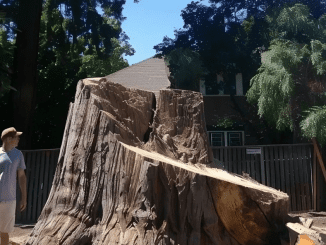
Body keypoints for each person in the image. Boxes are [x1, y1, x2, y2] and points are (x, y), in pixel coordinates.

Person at [0, 127, 27, 245]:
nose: (18, 139)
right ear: (8, 138)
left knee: (4, 232)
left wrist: (24, 198)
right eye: (16, 137)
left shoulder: (18, 154)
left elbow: (21, 176)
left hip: (9, 200)